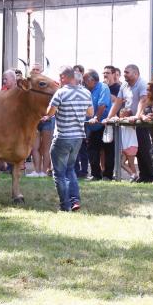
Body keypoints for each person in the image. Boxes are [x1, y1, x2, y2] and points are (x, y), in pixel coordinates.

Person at [43, 66, 93, 211]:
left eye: (60, 77)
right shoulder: (86, 93)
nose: (59, 79)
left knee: (59, 173)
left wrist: (55, 111)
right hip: (78, 136)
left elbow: (50, 112)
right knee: (70, 169)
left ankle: (65, 206)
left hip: (62, 137)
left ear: (65, 77)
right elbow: (90, 113)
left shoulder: (61, 92)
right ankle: (75, 200)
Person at [105, 64, 153, 182]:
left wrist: (137, 116)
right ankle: (141, 177)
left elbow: (143, 100)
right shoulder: (124, 85)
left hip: (140, 122)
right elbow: (118, 102)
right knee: (131, 150)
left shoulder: (142, 84)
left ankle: (148, 176)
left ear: (135, 74)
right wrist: (109, 117)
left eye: (127, 72)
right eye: (125, 72)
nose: (124, 74)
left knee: (143, 149)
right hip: (128, 123)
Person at [84, 69, 112, 180]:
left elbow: (102, 105)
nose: (84, 81)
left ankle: (108, 175)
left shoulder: (103, 88)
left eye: (86, 79)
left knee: (107, 150)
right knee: (92, 150)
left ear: (93, 80)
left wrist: (96, 117)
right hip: (92, 126)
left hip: (104, 124)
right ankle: (95, 175)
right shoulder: (86, 90)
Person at [29, 63, 53, 177]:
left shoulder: (48, 85)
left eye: (37, 69)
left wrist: (48, 115)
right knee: (34, 148)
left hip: (47, 120)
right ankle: (36, 171)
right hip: (34, 121)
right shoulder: (28, 86)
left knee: (46, 148)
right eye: (33, 69)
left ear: (41, 71)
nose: (35, 71)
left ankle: (44, 172)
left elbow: (54, 104)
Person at [119, 108, 139, 181]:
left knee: (131, 163)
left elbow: (132, 121)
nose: (122, 116)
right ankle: (134, 175)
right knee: (121, 163)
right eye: (120, 115)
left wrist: (125, 118)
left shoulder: (132, 122)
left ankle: (134, 177)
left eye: (123, 115)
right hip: (124, 147)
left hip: (131, 145)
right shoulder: (120, 123)